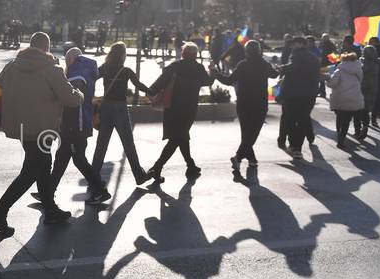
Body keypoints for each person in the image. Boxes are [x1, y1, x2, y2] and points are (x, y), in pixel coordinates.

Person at [0, 32, 83, 233]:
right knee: (30, 172)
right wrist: (80, 93)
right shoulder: (51, 69)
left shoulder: (12, 65)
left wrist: (2, 111)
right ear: (46, 48)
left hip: (20, 127)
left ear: (30, 46)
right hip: (43, 128)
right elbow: (70, 99)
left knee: (43, 167)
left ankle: (50, 209)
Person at [41, 48, 109, 204]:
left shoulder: (77, 73)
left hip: (75, 124)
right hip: (80, 122)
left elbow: (71, 100)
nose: (66, 64)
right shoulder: (85, 69)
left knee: (77, 159)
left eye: (66, 60)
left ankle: (100, 190)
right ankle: (48, 192)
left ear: (71, 59)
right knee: (63, 157)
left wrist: (67, 126)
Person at [144, 42, 212, 182]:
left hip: (172, 108)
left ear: (183, 53)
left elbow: (160, 82)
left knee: (178, 137)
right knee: (179, 137)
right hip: (189, 109)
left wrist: (149, 91)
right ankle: (162, 167)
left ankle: (184, 166)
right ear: (195, 55)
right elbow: (208, 82)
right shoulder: (198, 68)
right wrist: (214, 71)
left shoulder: (175, 67)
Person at [211, 40, 277, 170]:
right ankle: (239, 157)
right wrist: (280, 69)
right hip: (259, 103)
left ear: (246, 52)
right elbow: (274, 74)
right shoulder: (264, 64)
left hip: (244, 102)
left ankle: (250, 159)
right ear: (259, 51)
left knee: (246, 132)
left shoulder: (242, 65)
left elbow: (229, 81)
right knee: (252, 133)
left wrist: (216, 73)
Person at [90, 41, 150, 185]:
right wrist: (153, 92)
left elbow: (91, 78)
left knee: (101, 144)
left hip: (106, 108)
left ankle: (92, 176)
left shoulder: (104, 68)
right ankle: (139, 175)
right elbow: (139, 85)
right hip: (120, 109)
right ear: (123, 55)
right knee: (128, 143)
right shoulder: (126, 71)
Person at [276, 36, 320, 160]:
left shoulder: (297, 55)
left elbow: (293, 69)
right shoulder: (314, 58)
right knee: (302, 121)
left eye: (293, 44)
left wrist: (282, 68)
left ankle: (293, 146)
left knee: (290, 120)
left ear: (300, 44)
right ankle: (297, 148)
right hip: (309, 94)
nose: (291, 46)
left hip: (294, 94)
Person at [327, 53, 364, 150]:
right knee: (346, 121)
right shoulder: (359, 70)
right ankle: (341, 140)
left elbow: (332, 84)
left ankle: (339, 134)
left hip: (340, 98)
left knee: (339, 117)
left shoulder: (339, 71)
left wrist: (328, 78)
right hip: (354, 98)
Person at [358, 44, 380, 136]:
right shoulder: (377, 62)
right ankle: (365, 125)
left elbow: (363, 70)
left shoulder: (364, 62)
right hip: (373, 87)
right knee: (366, 109)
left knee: (361, 108)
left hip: (363, 87)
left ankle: (362, 126)